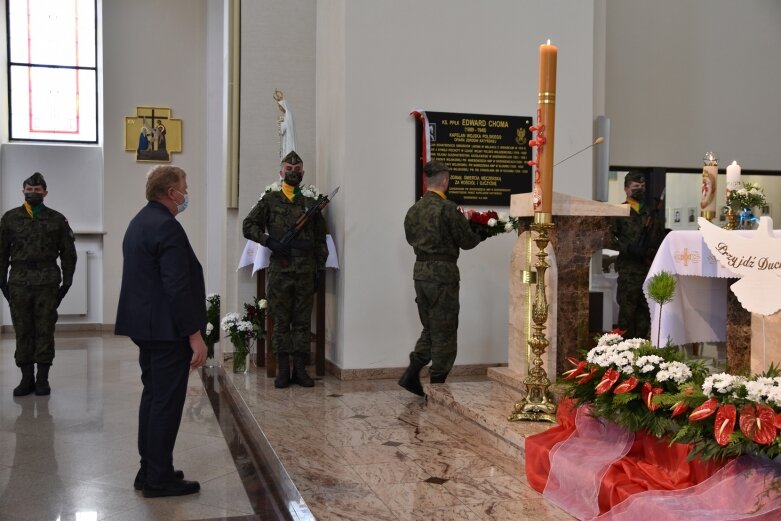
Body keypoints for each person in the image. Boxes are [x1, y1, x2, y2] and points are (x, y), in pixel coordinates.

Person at [115, 165, 207, 498]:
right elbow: (176, 286)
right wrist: (194, 334)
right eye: (185, 187)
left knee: (153, 397)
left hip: (147, 327)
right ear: (171, 192)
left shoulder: (139, 221)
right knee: (165, 403)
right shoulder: (167, 227)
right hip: (168, 331)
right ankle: (159, 478)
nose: (187, 193)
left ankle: (150, 468)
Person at [399, 160, 486, 396]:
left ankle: (412, 372)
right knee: (445, 330)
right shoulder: (448, 209)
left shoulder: (414, 210)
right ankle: (437, 385)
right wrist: (482, 231)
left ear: (427, 181)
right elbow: (466, 242)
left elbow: (410, 238)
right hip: (443, 276)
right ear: (445, 180)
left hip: (421, 274)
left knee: (429, 327)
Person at [242, 150, 327, 389]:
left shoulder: (311, 203)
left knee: (301, 321)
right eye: (288, 169)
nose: (293, 173)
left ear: (302, 173)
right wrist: (269, 241)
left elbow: (321, 238)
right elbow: (248, 225)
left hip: (305, 270)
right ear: (281, 173)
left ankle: (300, 369)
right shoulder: (269, 201)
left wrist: (319, 269)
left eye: (297, 169)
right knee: (280, 320)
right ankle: (282, 369)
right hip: (281, 270)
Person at [0, 172, 77, 397]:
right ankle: (26, 379)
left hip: (47, 282)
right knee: (23, 329)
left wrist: (68, 279)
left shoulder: (57, 219)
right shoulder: (10, 218)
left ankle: (42, 379)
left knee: (45, 329)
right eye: (29, 189)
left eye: (37, 190)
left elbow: (68, 252)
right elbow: (2, 252)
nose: (33, 193)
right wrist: (2, 279)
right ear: (23, 190)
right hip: (19, 282)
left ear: (45, 192)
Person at [611, 170, 666, 340]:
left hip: (648, 269)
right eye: (636, 186)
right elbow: (609, 238)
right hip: (629, 271)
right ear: (626, 189)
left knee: (645, 313)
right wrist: (628, 248)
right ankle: (623, 354)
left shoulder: (652, 213)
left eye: (642, 186)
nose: (640, 189)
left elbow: (659, 240)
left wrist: (649, 253)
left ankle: (641, 351)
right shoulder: (618, 211)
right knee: (627, 314)